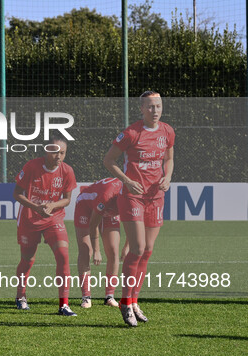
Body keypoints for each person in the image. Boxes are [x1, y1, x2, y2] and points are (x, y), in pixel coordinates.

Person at [103, 91, 174, 327]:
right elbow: (109, 161)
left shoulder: (167, 131)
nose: (155, 111)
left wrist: (168, 177)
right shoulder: (131, 133)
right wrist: (126, 180)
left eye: (158, 106)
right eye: (151, 107)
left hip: (156, 197)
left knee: (148, 250)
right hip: (133, 196)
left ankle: (134, 301)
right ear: (142, 109)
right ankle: (124, 301)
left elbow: (169, 159)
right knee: (137, 248)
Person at [13, 134, 77, 316]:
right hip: (29, 218)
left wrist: (51, 206)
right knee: (28, 259)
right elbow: (17, 194)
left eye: (62, 153)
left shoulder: (67, 171)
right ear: (46, 150)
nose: (59, 156)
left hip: (53, 219)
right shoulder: (31, 166)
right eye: (55, 151)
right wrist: (36, 207)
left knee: (63, 256)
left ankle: (64, 305)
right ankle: (21, 296)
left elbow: (66, 200)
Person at [74, 177, 128, 308]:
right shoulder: (107, 196)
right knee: (86, 250)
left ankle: (109, 296)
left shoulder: (132, 198)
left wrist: (127, 247)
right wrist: (97, 250)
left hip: (109, 212)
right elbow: (93, 225)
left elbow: (136, 226)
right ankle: (86, 297)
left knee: (114, 251)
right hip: (86, 207)